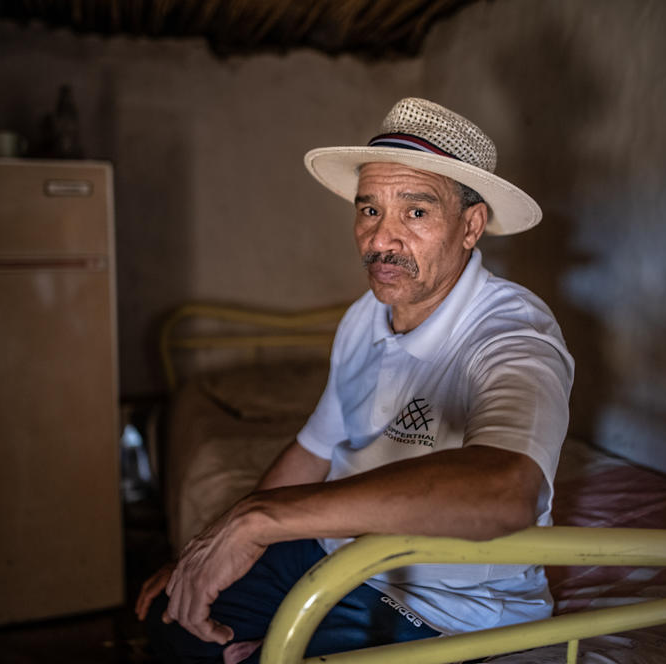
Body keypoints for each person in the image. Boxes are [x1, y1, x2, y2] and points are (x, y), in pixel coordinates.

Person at [136, 97, 574, 663]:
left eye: (415, 212)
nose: (380, 240)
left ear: (471, 225)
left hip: (442, 608)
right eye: (369, 211)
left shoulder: (514, 334)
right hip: (329, 557)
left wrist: (264, 520)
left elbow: (508, 490)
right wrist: (214, 541)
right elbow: (313, 449)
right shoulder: (364, 317)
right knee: (174, 622)